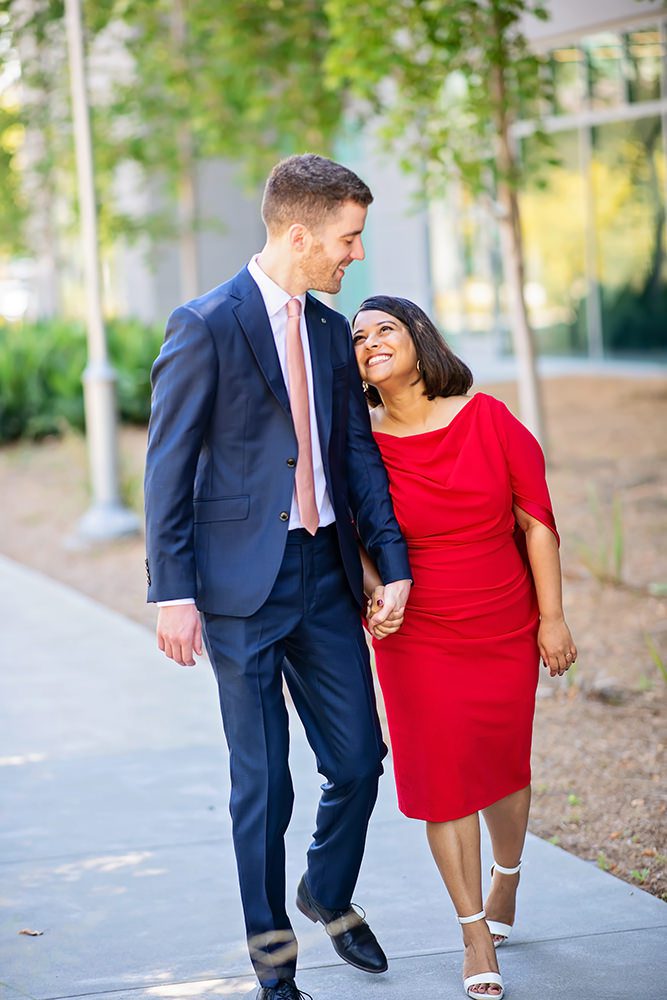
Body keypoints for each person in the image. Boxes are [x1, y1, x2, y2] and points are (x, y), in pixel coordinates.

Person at [143, 157, 411, 1000]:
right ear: (299, 235)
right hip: (236, 592)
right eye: (347, 237)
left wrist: (391, 564)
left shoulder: (333, 333)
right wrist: (172, 592)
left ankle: (324, 891)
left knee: (361, 762)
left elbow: (357, 457)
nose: (354, 255)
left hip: (325, 575)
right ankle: (275, 973)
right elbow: (167, 468)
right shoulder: (205, 323)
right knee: (262, 783)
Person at [351, 295, 577, 1000]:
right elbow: (352, 535)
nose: (369, 342)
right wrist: (373, 592)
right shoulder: (360, 441)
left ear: (419, 337)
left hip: (501, 619)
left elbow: (534, 523)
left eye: (384, 327)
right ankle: (473, 929)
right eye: (357, 337)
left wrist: (552, 618)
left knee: (501, 767)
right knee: (443, 777)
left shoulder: (488, 418)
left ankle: (505, 877)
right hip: (416, 629)